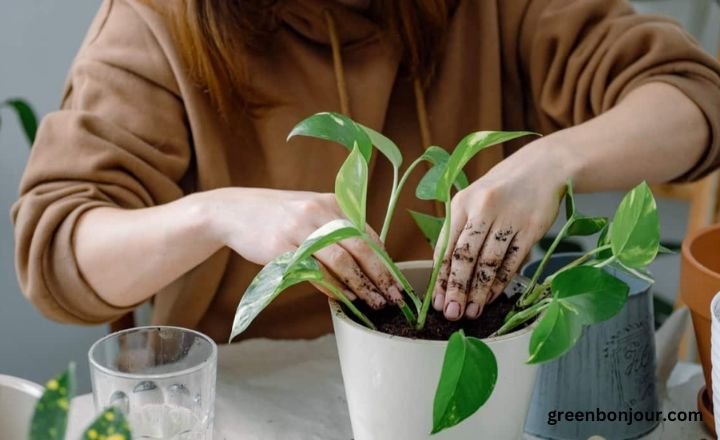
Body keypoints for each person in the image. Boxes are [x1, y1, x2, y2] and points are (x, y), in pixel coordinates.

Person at [12, 0, 720, 342]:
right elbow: (58, 252)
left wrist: (556, 159)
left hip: (451, 371)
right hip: (249, 392)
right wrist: (218, 214)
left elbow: (694, 95)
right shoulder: (157, 20)